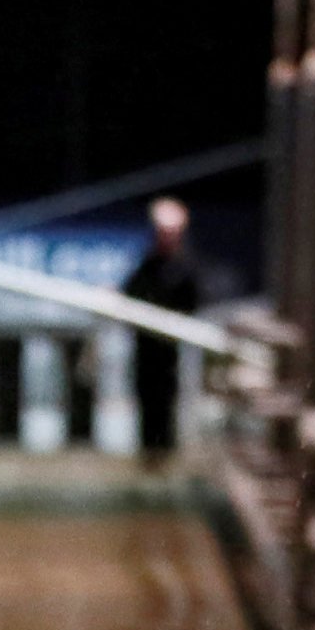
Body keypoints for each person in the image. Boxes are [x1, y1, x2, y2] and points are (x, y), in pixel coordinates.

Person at [122, 199, 206, 464]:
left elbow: (193, 301)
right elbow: (132, 293)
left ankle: (165, 449)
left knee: (166, 396)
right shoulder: (148, 263)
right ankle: (149, 451)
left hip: (169, 348)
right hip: (146, 344)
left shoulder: (185, 266)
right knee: (147, 396)